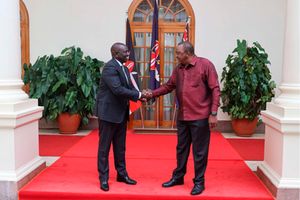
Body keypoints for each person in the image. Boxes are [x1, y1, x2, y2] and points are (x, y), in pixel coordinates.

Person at [144, 41, 220, 195]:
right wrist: (152, 93)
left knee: (200, 152)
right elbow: (169, 86)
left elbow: (215, 89)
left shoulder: (205, 65)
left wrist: (213, 113)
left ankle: (199, 182)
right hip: (183, 116)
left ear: (188, 53)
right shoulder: (179, 69)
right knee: (181, 149)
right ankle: (178, 177)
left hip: (200, 116)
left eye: (178, 53)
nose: (176, 56)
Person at [95, 42, 147, 191]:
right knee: (104, 148)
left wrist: (141, 96)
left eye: (127, 51)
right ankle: (103, 178)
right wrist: (139, 95)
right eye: (125, 52)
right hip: (108, 113)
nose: (128, 54)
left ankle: (121, 174)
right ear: (115, 53)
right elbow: (118, 90)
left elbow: (129, 88)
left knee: (120, 147)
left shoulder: (123, 67)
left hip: (120, 113)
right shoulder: (110, 67)